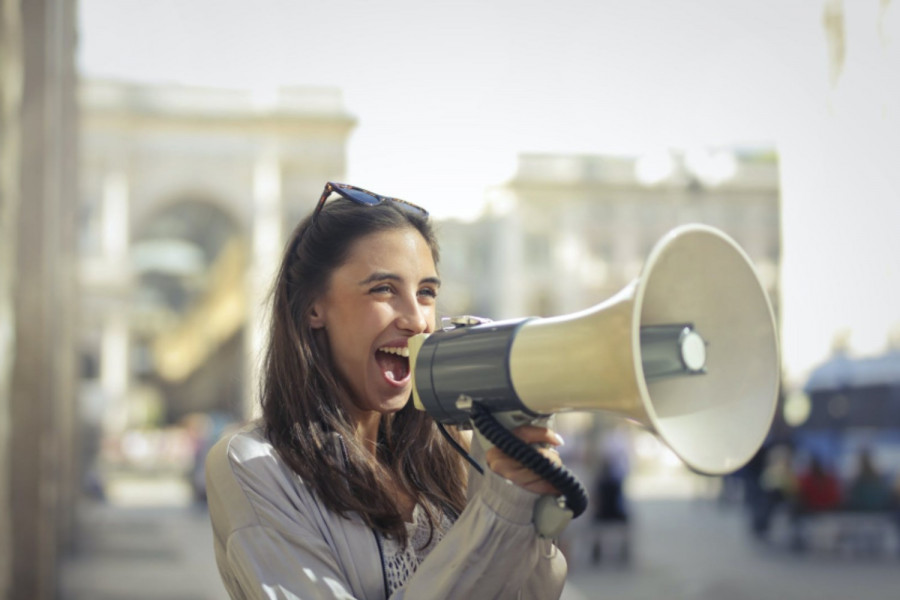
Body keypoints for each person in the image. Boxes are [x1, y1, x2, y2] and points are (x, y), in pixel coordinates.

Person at [205, 182, 568, 599]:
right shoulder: (255, 464)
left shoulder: (457, 452)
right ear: (313, 308)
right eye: (383, 289)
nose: (417, 320)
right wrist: (496, 516)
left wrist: (525, 506)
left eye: (427, 293)